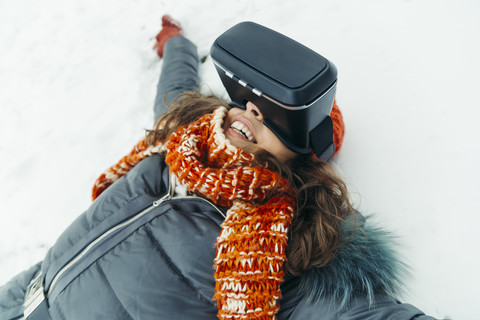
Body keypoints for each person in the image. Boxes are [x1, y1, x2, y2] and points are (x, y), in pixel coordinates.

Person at [0, 15, 440, 320]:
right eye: (252, 98)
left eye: (278, 118)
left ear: (300, 162)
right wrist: (177, 44)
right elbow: (177, 85)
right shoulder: (182, 133)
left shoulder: (275, 247)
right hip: (23, 294)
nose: (253, 111)